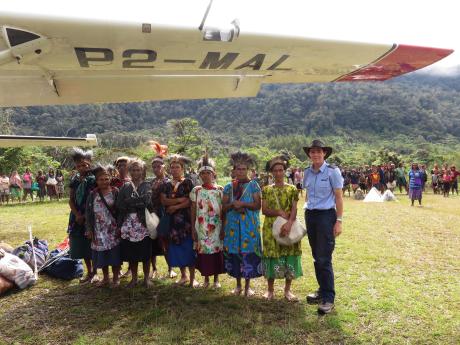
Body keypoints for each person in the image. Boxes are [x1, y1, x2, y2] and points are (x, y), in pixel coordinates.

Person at [302, 140, 343, 315]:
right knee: (316, 255)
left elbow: (339, 198)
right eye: (313, 152)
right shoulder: (306, 173)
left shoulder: (333, 172)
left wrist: (339, 220)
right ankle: (321, 289)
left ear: (324, 153)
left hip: (326, 216)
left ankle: (328, 298)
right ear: (309, 154)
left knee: (324, 257)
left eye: (319, 151)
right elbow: (307, 195)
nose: (316, 154)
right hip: (311, 216)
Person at [261, 155, 302, 301]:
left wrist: (289, 223)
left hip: (288, 226)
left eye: (281, 170)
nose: (278, 173)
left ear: (285, 171)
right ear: (271, 173)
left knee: (288, 254)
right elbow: (264, 210)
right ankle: (270, 290)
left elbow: (294, 208)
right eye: (275, 171)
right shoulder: (266, 190)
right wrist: (279, 212)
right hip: (271, 228)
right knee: (271, 255)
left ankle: (287, 291)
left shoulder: (292, 189)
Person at [222, 151, 262, 297]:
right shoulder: (228, 187)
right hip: (233, 227)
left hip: (249, 227)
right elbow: (224, 207)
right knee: (236, 254)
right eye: (238, 169)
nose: (240, 171)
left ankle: (247, 287)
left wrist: (243, 204)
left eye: (244, 169)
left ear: (248, 170)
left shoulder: (254, 186)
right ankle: (238, 286)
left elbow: (258, 205)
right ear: (234, 170)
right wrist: (233, 204)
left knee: (247, 254)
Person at [160, 155, 197, 287]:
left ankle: (193, 279)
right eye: (173, 167)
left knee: (188, 248)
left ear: (182, 169)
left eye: (177, 167)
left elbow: (190, 201)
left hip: (186, 221)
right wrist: (179, 200)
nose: (175, 169)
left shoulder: (187, 182)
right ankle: (183, 276)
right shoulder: (166, 184)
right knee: (177, 248)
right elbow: (163, 200)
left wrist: (175, 206)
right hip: (172, 222)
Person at [116, 158, 153, 288]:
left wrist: (129, 201)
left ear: (142, 171)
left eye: (138, 170)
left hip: (143, 223)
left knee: (145, 253)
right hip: (128, 224)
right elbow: (120, 205)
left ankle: (147, 279)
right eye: (133, 169)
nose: (135, 172)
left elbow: (146, 201)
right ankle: (134, 278)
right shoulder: (125, 187)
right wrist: (135, 202)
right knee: (132, 253)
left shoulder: (147, 185)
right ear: (129, 171)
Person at [190, 154, 225, 288]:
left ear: (213, 174)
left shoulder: (220, 190)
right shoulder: (196, 190)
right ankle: (206, 279)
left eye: (208, 173)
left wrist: (222, 228)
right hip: (201, 227)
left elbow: (224, 211)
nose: (205, 176)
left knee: (216, 251)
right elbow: (193, 210)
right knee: (204, 253)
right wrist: (193, 228)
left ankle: (216, 279)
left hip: (216, 227)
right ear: (199, 175)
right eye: (202, 173)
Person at [85, 166, 121, 287]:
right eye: (101, 179)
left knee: (114, 254)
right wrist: (89, 229)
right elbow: (88, 213)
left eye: (106, 179)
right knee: (103, 254)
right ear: (96, 180)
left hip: (112, 228)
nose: (104, 181)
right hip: (98, 229)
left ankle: (116, 278)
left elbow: (120, 211)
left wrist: (120, 227)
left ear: (110, 179)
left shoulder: (115, 192)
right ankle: (106, 278)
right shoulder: (92, 194)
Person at [68, 148, 97, 284]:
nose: (82, 167)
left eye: (84, 165)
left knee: (93, 244)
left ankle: (96, 272)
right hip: (77, 217)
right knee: (83, 245)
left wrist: (85, 215)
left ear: (89, 164)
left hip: (91, 216)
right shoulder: (74, 180)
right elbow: (71, 199)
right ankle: (89, 271)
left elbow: (94, 199)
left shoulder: (93, 179)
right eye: (79, 165)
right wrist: (77, 214)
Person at [150, 156, 176, 279]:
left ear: (164, 167)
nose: (156, 169)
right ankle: (154, 269)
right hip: (152, 214)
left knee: (166, 241)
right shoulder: (150, 182)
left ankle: (170, 268)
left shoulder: (170, 182)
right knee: (152, 241)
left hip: (166, 214)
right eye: (154, 167)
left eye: (158, 166)